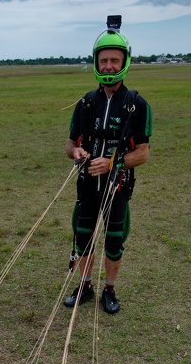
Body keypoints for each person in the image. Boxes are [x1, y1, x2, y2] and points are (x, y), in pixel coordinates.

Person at [64, 16, 152, 314]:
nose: (109, 66)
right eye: (104, 60)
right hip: (87, 186)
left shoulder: (137, 104)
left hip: (118, 188)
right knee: (83, 238)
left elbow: (143, 152)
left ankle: (110, 290)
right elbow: (70, 144)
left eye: (115, 60)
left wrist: (113, 161)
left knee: (114, 242)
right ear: (96, 63)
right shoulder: (86, 103)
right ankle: (85, 285)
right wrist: (76, 152)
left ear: (125, 61)